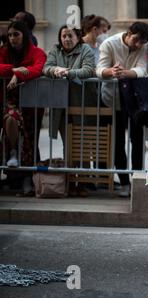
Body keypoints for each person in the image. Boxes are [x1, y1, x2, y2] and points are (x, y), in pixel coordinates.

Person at [96, 22, 148, 197]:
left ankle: (137, 180)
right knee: (118, 142)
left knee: (137, 141)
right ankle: (124, 183)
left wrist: (126, 73)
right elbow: (99, 70)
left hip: (135, 101)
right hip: (112, 100)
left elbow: (142, 68)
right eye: (136, 40)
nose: (138, 45)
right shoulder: (109, 44)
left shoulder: (143, 46)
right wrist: (111, 72)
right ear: (128, 33)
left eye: (142, 42)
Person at [43, 25, 96, 197]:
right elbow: (46, 67)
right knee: (68, 145)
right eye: (63, 36)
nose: (66, 39)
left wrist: (69, 73)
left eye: (70, 36)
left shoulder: (85, 49)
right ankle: (71, 182)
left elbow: (89, 70)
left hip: (81, 103)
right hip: (61, 105)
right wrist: (54, 70)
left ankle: (84, 183)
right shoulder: (55, 50)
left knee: (83, 144)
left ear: (77, 37)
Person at [0, 21, 47, 196]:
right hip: (9, 100)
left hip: (32, 102)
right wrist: (14, 70)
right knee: (11, 121)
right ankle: (13, 154)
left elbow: (38, 69)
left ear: (24, 35)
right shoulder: (3, 51)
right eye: (10, 35)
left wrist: (19, 73)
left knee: (30, 140)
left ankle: (28, 181)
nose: (12, 38)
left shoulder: (37, 52)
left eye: (16, 34)